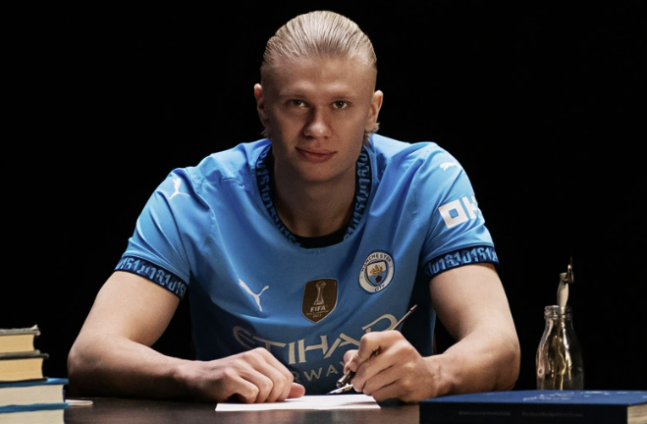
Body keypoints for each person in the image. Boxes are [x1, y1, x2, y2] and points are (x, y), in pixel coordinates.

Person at [67, 10, 520, 404]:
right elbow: (91, 353)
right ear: (263, 105)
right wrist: (195, 375)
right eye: (297, 103)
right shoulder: (194, 197)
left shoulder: (428, 180)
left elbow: (500, 346)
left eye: (340, 104)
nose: (317, 128)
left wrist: (433, 374)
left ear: (372, 110)